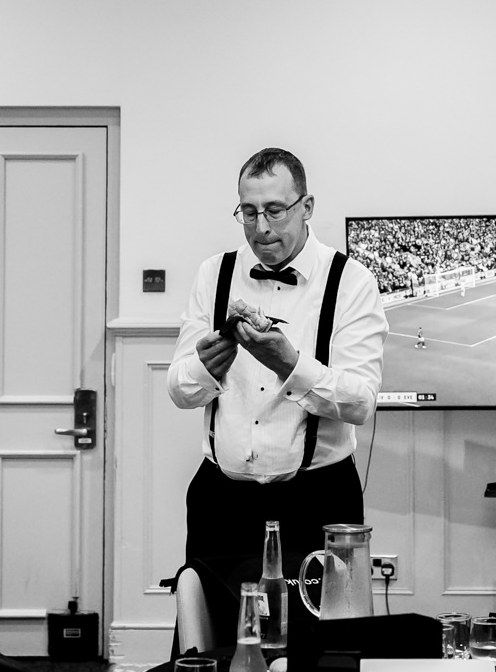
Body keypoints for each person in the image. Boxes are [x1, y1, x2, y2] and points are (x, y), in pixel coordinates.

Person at [166, 147, 387, 643]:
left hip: (318, 501)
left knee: (321, 659)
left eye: (275, 210)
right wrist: (205, 366)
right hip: (221, 502)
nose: (261, 227)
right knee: (212, 647)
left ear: (306, 207)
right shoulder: (213, 275)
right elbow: (179, 389)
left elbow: (360, 402)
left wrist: (290, 363)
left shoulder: (350, 282)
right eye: (248, 211)